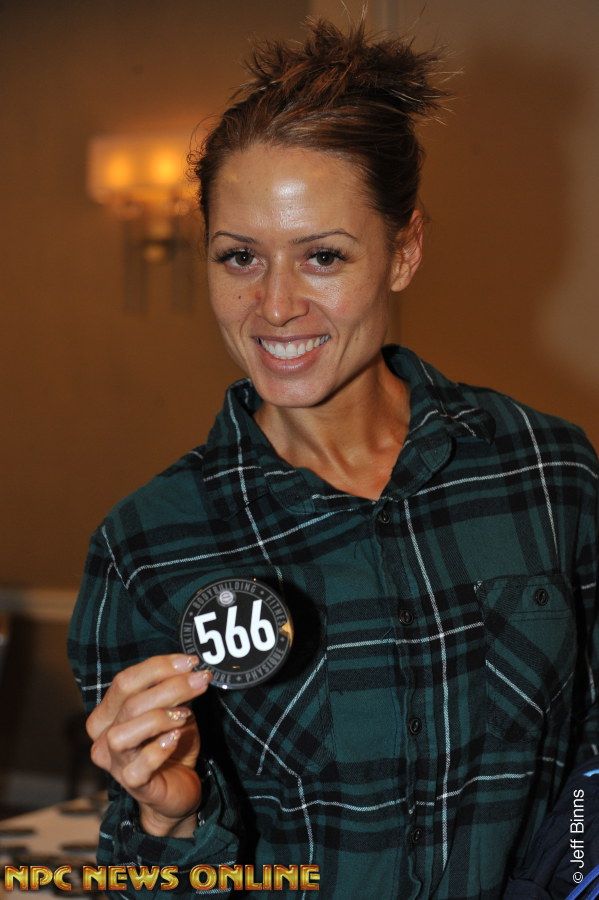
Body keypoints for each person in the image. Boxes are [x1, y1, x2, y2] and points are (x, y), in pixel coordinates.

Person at [68, 15, 599, 900]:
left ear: (404, 251)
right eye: (240, 257)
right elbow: (140, 884)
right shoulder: (146, 545)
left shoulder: (546, 473)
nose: (275, 305)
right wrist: (170, 820)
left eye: (322, 256)